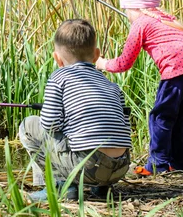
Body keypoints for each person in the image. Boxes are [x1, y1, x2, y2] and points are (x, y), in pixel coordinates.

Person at [95, 0, 183, 176]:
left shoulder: (141, 24)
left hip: (178, 70)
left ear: (134, 6)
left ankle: (157, 165)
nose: (127, 17)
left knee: (161, 117)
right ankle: (181, 164)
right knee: (181, 119)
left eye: (126, 11)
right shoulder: (167, 19)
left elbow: (124, 63)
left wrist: (102, 63)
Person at [19, 19, 132, 201]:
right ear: (96, 55)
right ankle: (102, 189)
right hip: (120, 168)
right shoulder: (111, 85)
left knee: (29, 124)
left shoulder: (59, 77)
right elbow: (124, 124)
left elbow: (49, 124)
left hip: (86, 168)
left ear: (57, 58)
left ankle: (59, 186)